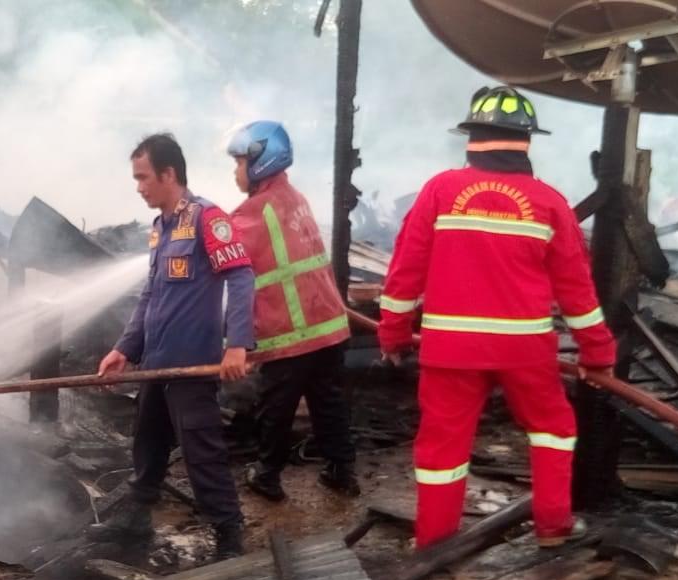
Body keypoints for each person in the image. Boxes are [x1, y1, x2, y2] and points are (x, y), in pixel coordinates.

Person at [378, 86, 616, 549]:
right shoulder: (550, 203)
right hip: (525, 350)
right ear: (527, 141)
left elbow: (404, 271)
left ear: (472, 137)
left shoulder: (439, 191)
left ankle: (434, 541)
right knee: (552, 431)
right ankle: (553, 528)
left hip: (451, 351)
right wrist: (598, 352)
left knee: (442, 448)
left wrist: (393, 333)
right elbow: (577, 291)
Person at [91, 133, 256, 560]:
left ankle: (228, 532)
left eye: (143, 177)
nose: (139, 186)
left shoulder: (207, 218)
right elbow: (151, 296)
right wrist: (124, 349)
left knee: (202, 451)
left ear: (169, 174)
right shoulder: (160, 228)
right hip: (156, 364)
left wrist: (237, 344)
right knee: (147, 442)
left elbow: (240, 276)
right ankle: (136, 518)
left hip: (191, 366)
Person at [225, 120, 357, 501]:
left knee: (276, 410)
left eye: (238, 163)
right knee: (328, 403)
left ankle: (267, 475)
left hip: (291, 332)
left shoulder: (255, 210)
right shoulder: (294, 198)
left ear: (259, 162)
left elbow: (222, 253)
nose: (235, 172)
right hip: (328, 327)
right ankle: (342, 472)